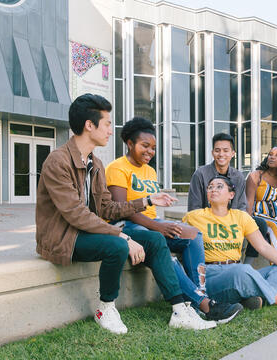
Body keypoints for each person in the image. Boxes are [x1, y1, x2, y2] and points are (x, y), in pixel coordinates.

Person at [36, 93, 219, 335]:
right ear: (89, 125)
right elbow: (75, 214)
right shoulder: (57, 161)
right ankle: (106, 307)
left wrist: (146, 200)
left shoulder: (95, 163)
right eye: (108, 124)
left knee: (154, 239)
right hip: (64, 237)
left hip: (87, 232)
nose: (111, 130)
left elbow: (106, 208)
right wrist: (122, 236)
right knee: (117, 246)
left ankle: (179, 309)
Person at [105, 117, 242, 323]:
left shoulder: (150, 171)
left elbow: (149, 207)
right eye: (145, 146)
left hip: (150, 224)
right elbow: (121, 209)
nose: (150, 152)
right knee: (160, 247)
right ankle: (205, 305)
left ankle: (200, 297)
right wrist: (158, 227)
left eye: (153, 148)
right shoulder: (117, 168)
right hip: (129, 227)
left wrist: (160, 218)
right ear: (129, 143)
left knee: (194, 235)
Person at [183, 175, 277, 308]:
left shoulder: (241, 217)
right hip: (210, 274)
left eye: (219, 186)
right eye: (210, 187)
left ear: (231, 195)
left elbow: (263, 246)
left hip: (236, 268)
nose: (213, 189)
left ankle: (249, 297)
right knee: (242, 271)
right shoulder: (193, 217)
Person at [188, 133, 269, 266]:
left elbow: (242, 207)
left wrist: (234, 221)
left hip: (232, 220)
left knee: (260, 224)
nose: (221, 154)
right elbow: (193, 208)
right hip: (207, 221)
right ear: (212, 153)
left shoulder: (238, 176)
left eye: (226, 151)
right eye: (217, 150)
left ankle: (246, 265)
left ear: (233, 153)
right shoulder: (200, 174)